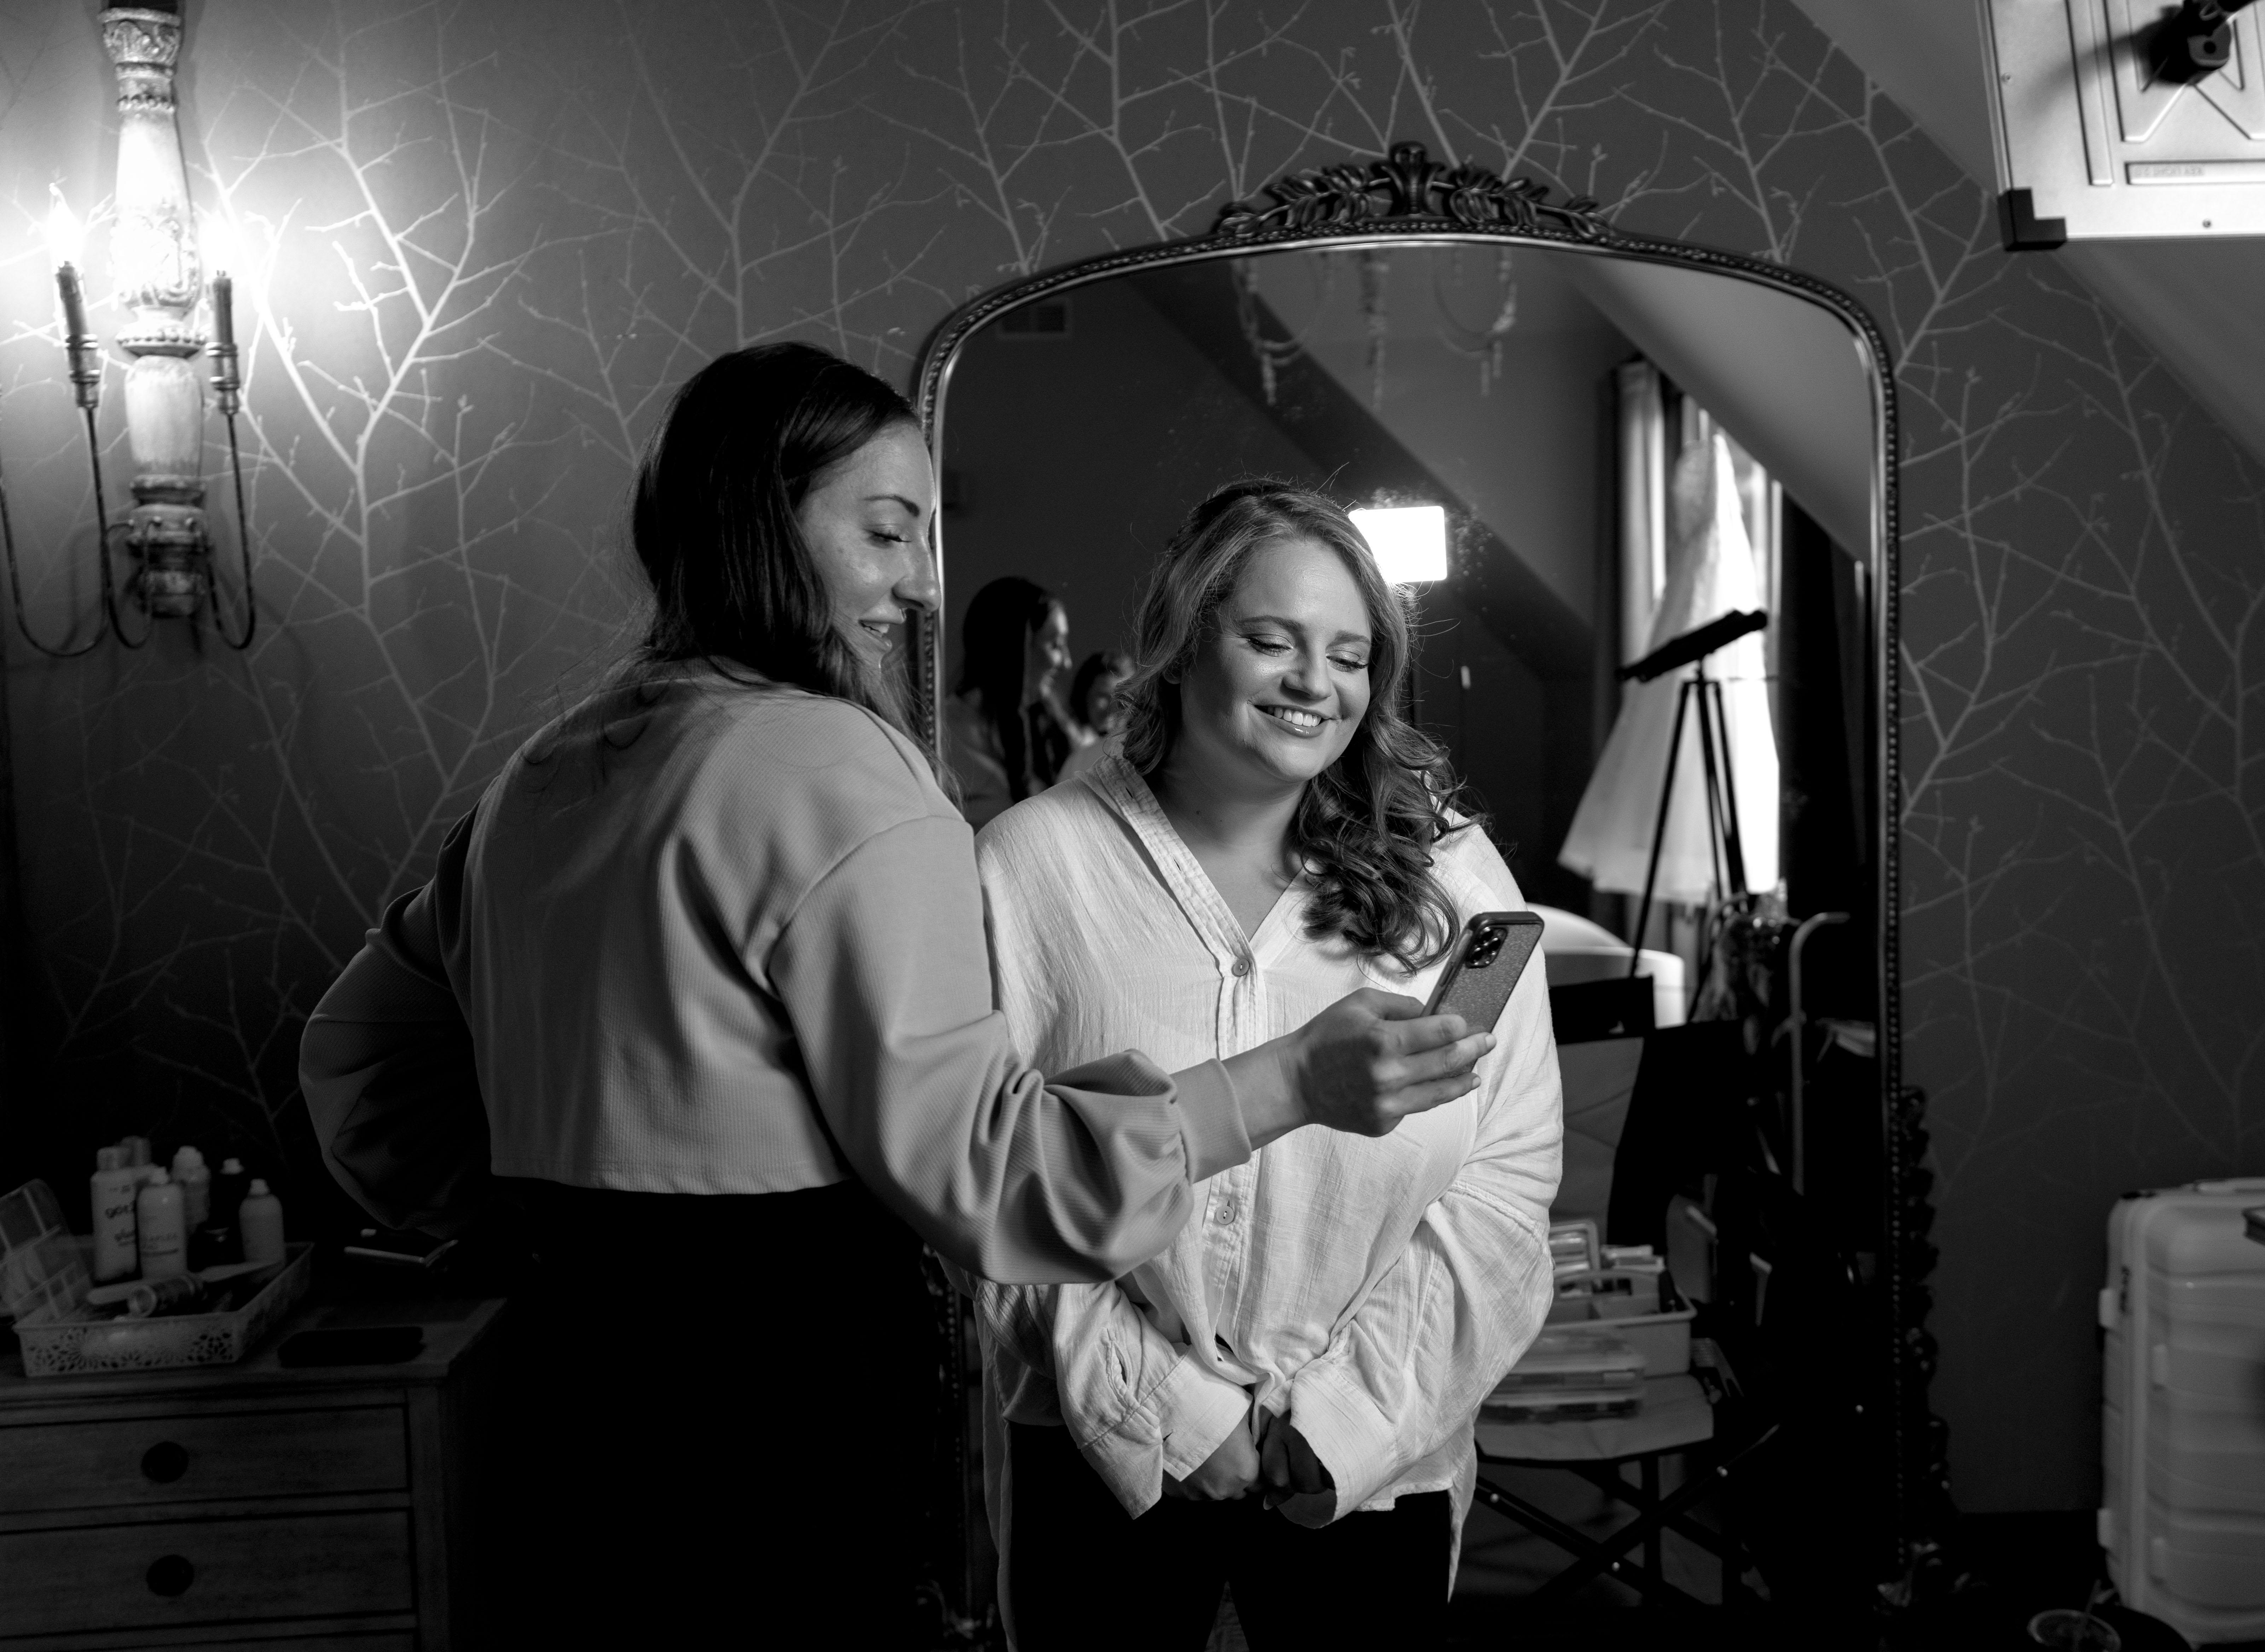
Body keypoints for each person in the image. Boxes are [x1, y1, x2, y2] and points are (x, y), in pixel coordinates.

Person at [295, 351, 1493, 1642]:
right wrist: (1286, 1081)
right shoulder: (843, 773)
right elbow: (992, 1178)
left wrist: (567, 1228)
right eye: (886, 531)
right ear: (758, 521)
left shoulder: (540, 775)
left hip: (565, 1412)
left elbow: (358, 1068)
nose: (924, 581)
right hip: (780, 1436)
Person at [975, 483, 1562, 1650]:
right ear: (1185, 640)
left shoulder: (1454, 885)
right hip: (1103, 1459)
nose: (1314, 683)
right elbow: (984, 1176)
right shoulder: (1032, 868)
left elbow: (1506, 1180)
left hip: (1369, 1467)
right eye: (1272, 640)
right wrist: (1171, 1413)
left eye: (1348, 655)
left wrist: (1341, 1422)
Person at [945, 575, 1079, 826]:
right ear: (1013, 648)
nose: (1066, 662)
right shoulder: (948, 733)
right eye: (1055, 644)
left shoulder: (1055, 727)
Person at [1056, 647, 1134, 786]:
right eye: (1103, 696)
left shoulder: (1135, 756)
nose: (1113, 708)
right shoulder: (1057, 742)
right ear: (1085, 694)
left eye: (1122, 700)